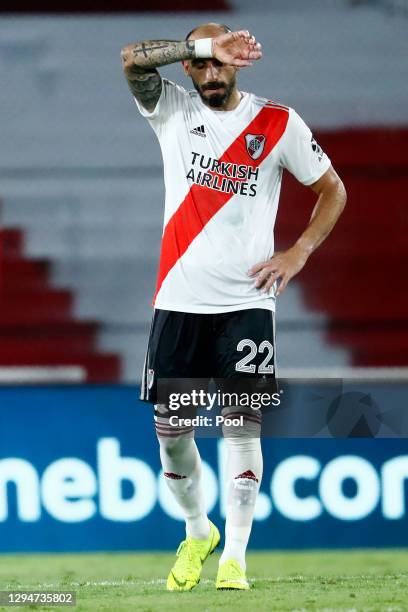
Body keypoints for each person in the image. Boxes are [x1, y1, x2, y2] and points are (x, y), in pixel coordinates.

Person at [121, 23, 346, 592]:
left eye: (222, 63)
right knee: (172, 431)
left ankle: (236, 558)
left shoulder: (278, 122)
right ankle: (199, 531)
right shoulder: (171, 110)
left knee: (240, 428)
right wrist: (200, 45)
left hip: (247, 303)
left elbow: (333, 191)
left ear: (239, 66)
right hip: (178, 299)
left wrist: (298, 252)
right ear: (192, 67)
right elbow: (131, 60)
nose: (212, 74)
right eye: (203, 64)